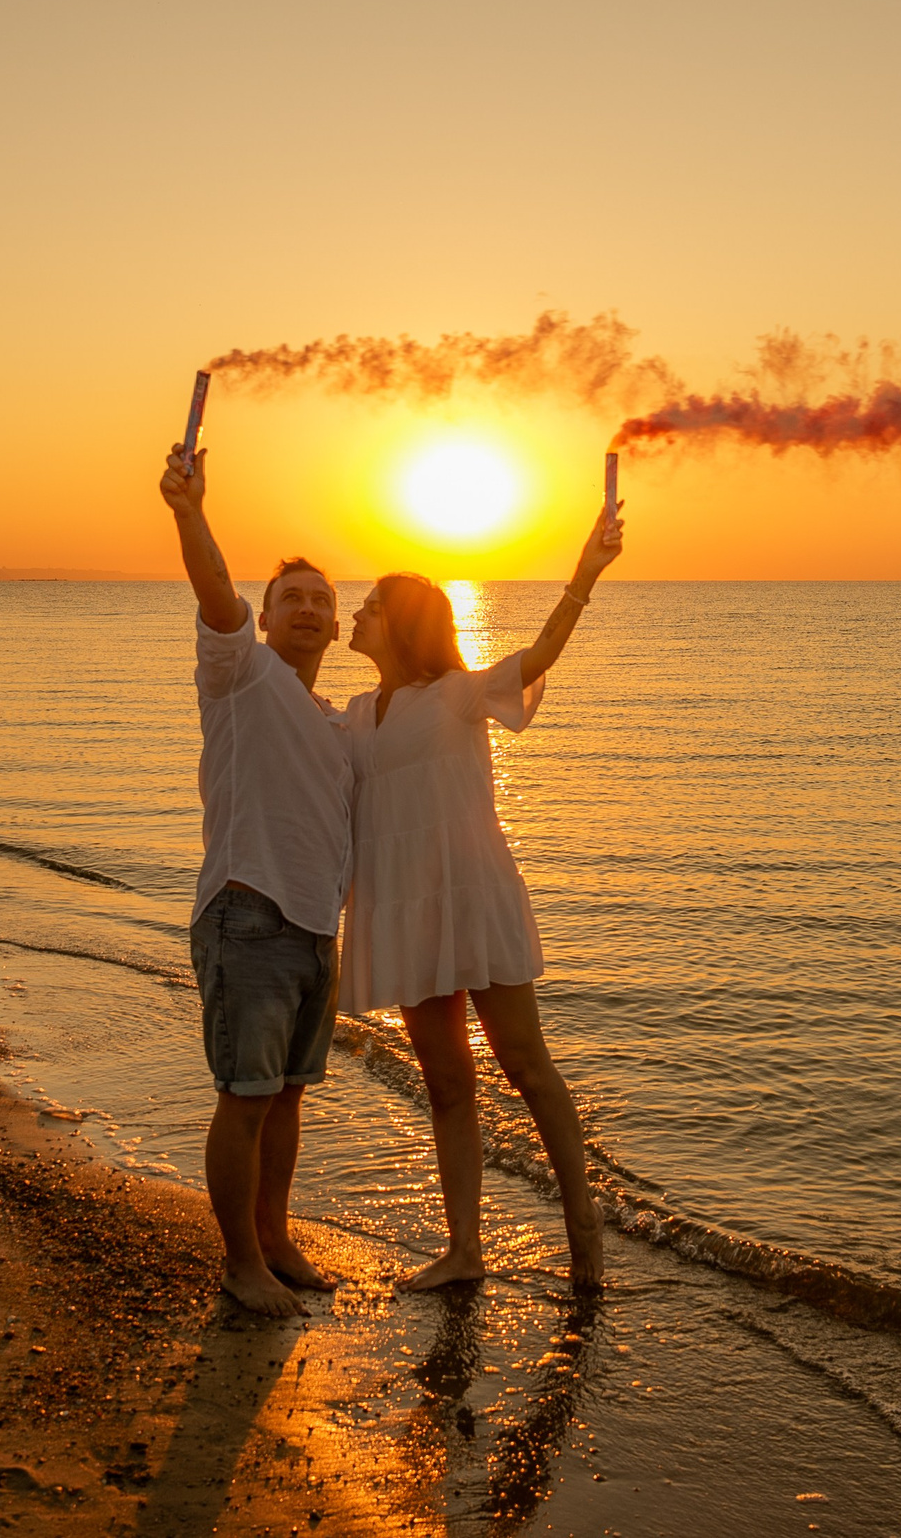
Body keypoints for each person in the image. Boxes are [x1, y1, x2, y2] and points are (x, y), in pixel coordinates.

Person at [340, 503, 625, 1292]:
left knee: (528, 1067)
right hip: (403, 909)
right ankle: (465, 1249)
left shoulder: (459, 694)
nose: (355, 613)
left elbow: (538, 656)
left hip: (472, 895)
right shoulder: (357, 717)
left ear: (400, 623)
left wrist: (584, 576)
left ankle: (583, 1229)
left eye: (369, 604)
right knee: (446, 1083)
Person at [158, 440, 352, 1317]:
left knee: (286, 1101)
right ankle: (240, 1262)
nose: (307, 609)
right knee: (244, 1099)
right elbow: (211, 588)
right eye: (292, 599)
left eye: (323, 600)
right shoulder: (244, 673)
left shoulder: (331, 720)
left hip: (314, 931)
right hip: (247, 913)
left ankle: (275, 1239)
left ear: (338, 627)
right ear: (265, 619)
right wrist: (191, 513)